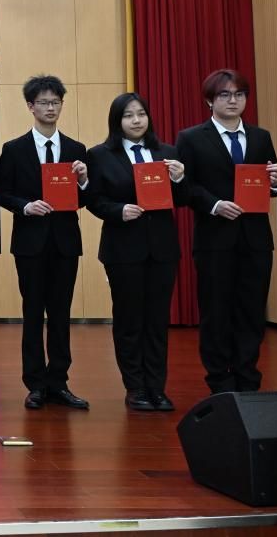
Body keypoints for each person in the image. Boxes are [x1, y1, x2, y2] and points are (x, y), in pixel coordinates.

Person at [176, 69, 277, 394]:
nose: (233, 100)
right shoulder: (191, 138)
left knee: (252, 311)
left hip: (255, 240)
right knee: (216, 312)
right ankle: (219, 380)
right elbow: (184, 188)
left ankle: (248, 377)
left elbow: (269, 185)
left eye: (239, 94)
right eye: (224, 95)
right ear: (210, 100)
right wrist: (214, 204)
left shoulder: (261, 137)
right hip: (214, 239)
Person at [86, 93, 188, 411]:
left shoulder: (167, 153)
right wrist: (118, 211)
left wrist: (179, 178)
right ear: (117, 121)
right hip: (122, 249)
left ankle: (157, 387)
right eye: (128, 115)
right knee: (129, 320)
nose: (136, 120)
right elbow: (93, 200)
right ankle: (136, 388)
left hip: (162, 249)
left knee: (157, 321)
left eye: (141, 114)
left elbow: (183, 198)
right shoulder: (100, 155)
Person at [0, 75, 90, 410]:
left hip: (65, 243)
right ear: (30, 106)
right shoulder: (14, 149)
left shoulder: (76, 150)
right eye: (44, 103)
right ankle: (35, 383)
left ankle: (59, 382)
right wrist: (25, 206)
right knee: (33, 312)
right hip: (30, 243)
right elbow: (2, 193)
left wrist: (83, 180)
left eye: (56, 102)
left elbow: (83, 200)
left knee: (61, 314)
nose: (51, 108)